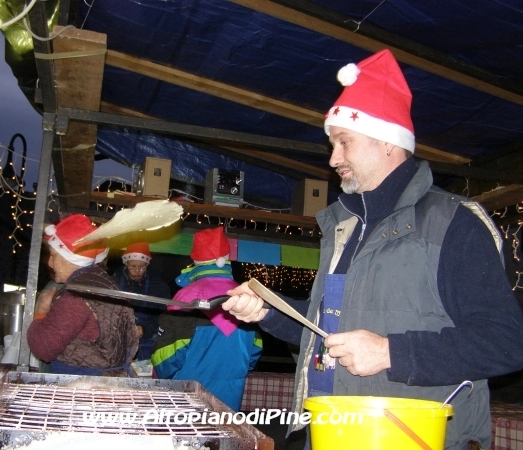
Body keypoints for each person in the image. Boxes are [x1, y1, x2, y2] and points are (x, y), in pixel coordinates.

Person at [222, 49, 523, 449]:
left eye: (344, 142)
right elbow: (330, 335)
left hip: (410, 437)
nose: (333, 158)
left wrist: (390, 352)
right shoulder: (343, 226)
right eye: (332, 144)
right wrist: (269, 312)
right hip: (329, 431)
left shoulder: (454, 222)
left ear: (386, 141)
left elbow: (506, 342)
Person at [152, 227, 262, 411]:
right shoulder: (246, 297)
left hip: (188, 399)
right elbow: (255, 350)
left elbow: (166, 357)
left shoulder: (186, 298)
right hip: (230, 398)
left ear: (196, 259)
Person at [27, 214, 139, 376]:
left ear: (69, 257)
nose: (49, 263)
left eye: (54, 256)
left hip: (84, 384)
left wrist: (41, 311)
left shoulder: (75, 296)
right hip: (107, 380)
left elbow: (43, 349)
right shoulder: (105, 283)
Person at [113, 242, 171, 360]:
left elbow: (165, 315)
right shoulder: (114, 282)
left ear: (147, 264)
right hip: (117, 337)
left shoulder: (159, 285)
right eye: (132, 266)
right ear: (126, 264)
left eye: (141, 267)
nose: (137, 271)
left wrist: (145, 328)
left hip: (147, 340)